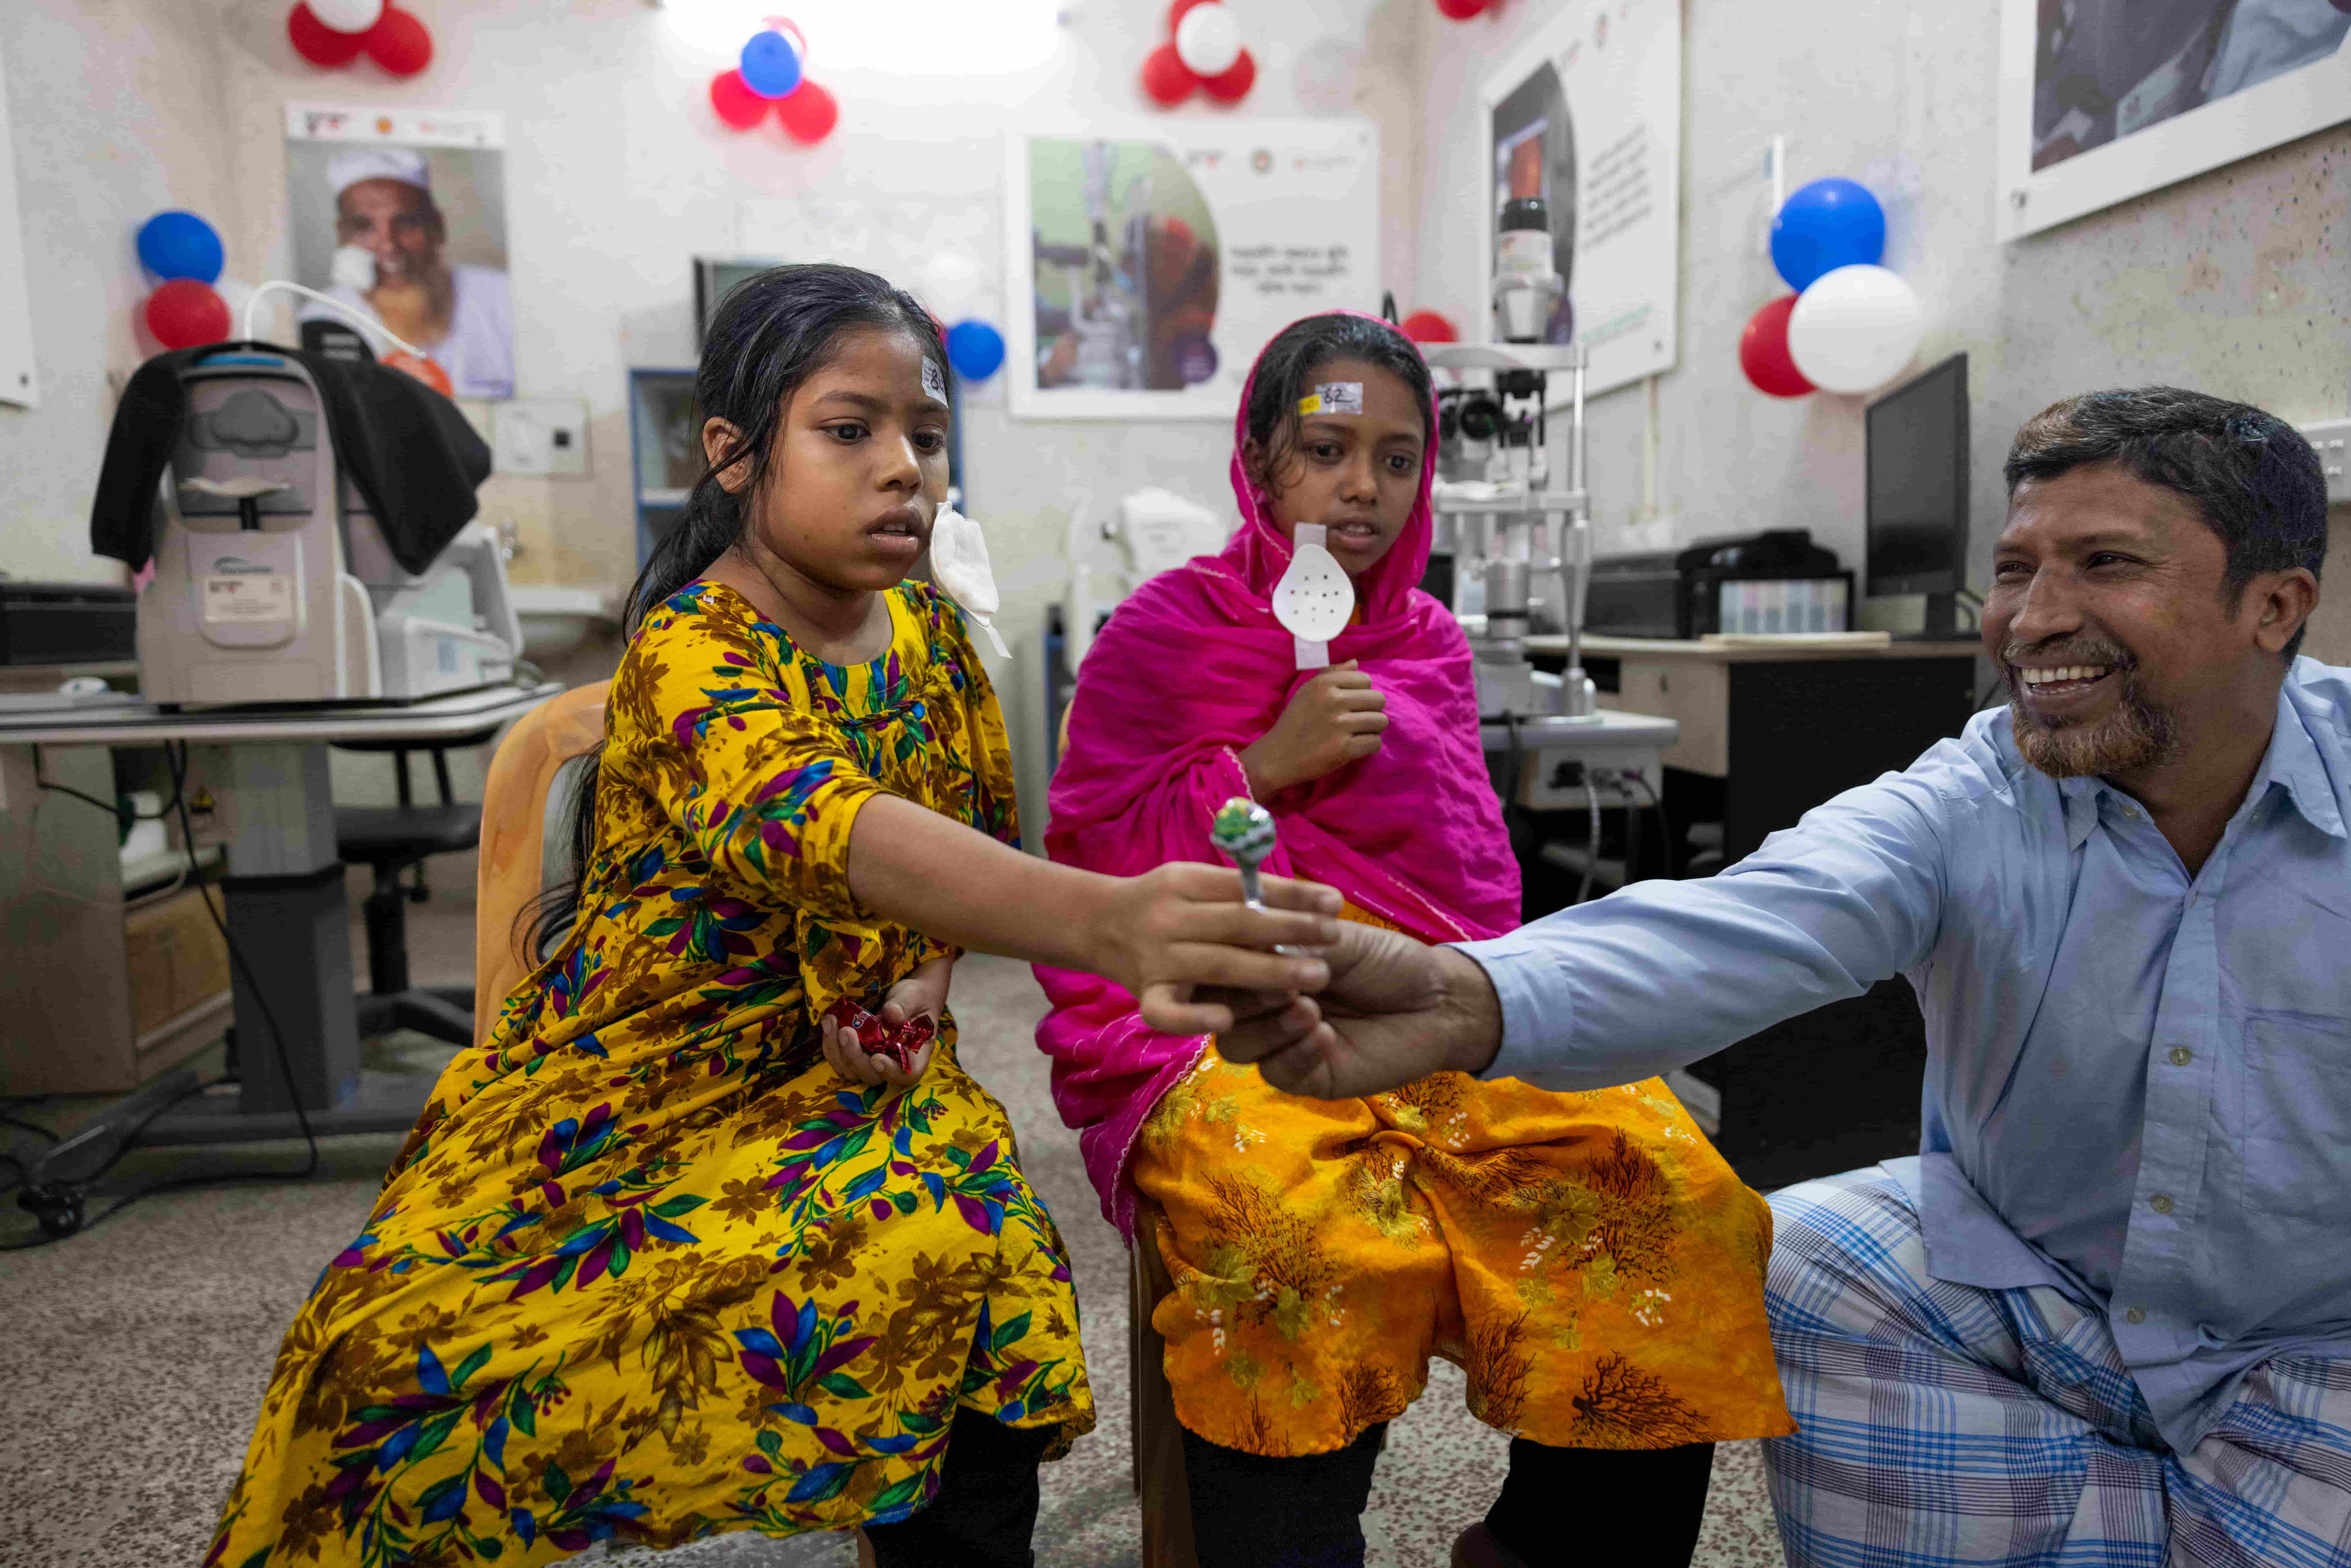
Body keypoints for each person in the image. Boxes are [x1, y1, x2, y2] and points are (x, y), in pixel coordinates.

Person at [204, 264, 1339, 1568]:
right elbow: (811, 813)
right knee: (385, 1366)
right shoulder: (693, 648)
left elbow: (952, 847)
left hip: (856, 1086)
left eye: (924, 434)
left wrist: (917, 989)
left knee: (971, 1251)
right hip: (628, 1094)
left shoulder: (933, 640)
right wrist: (1108, 921)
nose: (903, 468)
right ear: (734, 456)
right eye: (850, 431)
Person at [1213, 387, 2350, 1567]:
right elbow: (1748, 920)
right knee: (1801, 1257)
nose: (2031, 621)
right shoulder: (1979, 789)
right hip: (2039, 1290)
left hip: (2309, 1338)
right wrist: (1460, 995)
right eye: (2013, 570)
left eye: (2104, 562)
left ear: (2271, 605)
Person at [1035, 311, 1793, 1568]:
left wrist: (1454, 986)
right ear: (1261, 460)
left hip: (1439, 1001)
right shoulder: (1161, 634)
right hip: (1234, 1012)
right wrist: (1260, 768)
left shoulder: (1428, 645)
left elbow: (1476, 891)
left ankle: (1551, 1544)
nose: (1363, 488)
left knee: (1670, 1186)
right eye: (1326, 448)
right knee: (1296, 1239)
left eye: (1397, 458)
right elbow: (1094, 860)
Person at [306, 147, 514, 397]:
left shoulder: (505, 299)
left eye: (406, 223)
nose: (389, 245)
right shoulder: (320, 316)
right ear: (342, 236)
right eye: (364, 227)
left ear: (438, 227)